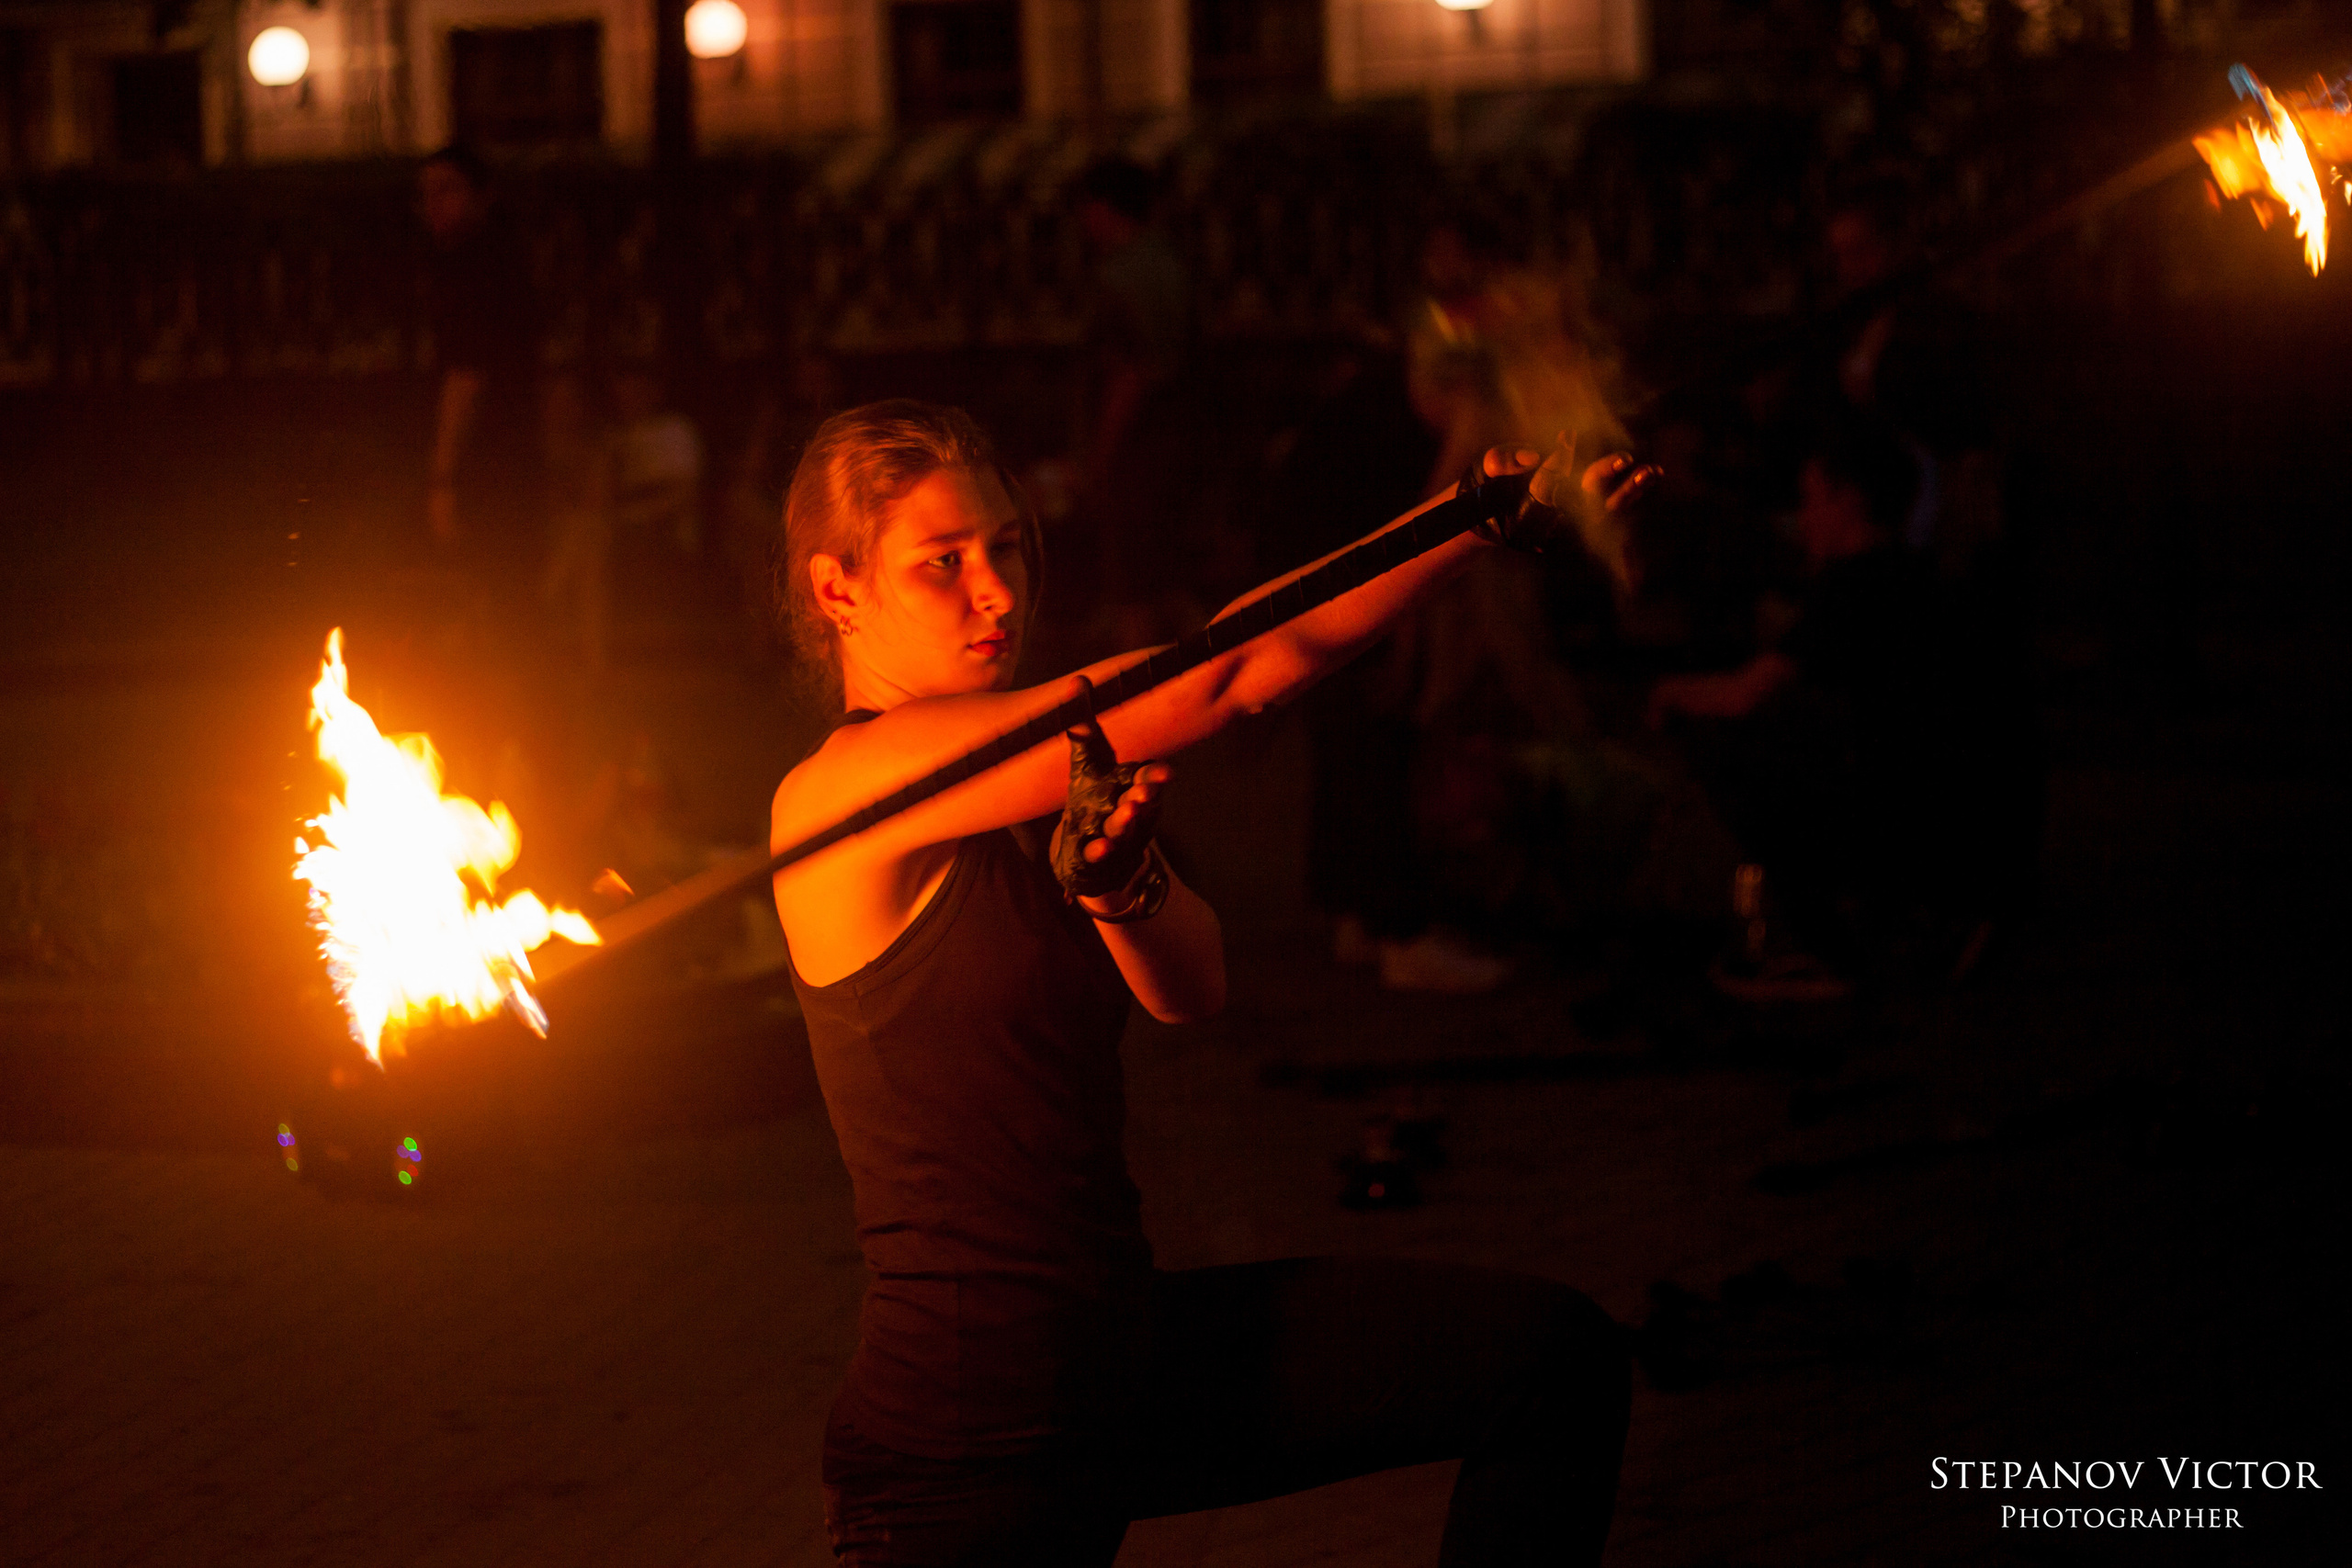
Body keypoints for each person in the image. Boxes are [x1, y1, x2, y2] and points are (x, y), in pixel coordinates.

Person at [768, 401, 1650, 1565]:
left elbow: (1195, 990)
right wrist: (1461, 520)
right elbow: (1231, 670)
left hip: (1124, 1358)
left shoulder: (1031, 787)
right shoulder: (839, 800)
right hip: (968, 1434)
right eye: (943, 564)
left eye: (1008, 548)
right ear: (838, 592)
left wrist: (1120, 887)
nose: (995, 591)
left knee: (1552, 1360)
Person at [417, 145, 541, 574]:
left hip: (491, 462)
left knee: (489, 581)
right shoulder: (482, 264)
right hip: (505, 457)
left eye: (447, 190)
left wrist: (443, 478)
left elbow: (466, 374)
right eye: (427, 193)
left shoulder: (476, 272)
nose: (433, 204)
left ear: (482, 195)